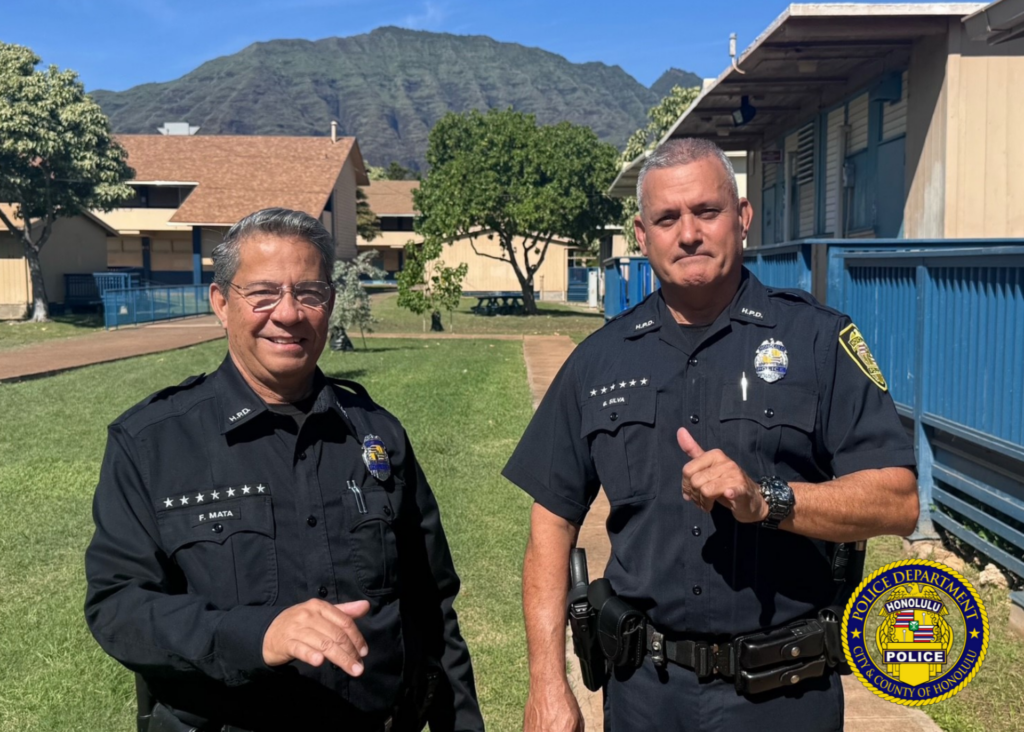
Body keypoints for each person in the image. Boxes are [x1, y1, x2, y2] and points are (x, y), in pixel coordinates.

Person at [503, 139, 919, 732]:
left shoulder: (818, 342)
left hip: (785, 695)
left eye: (707, 211)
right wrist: (548, 683)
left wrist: (770, 499)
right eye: (667, 219)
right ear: (642, 237)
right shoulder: (598, 361)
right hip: (645, 693)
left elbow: (899, 499)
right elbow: (552, 520)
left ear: (743, 218)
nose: (689, 234)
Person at [85, 208, 485, 732]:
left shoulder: (376, 434)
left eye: (310, 293)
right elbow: (119, 607)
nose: (290, 313)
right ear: (222, 304)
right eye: (264, 294)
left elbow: (431, 608)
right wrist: (257, 634)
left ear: (330, 305)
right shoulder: (153, 443)